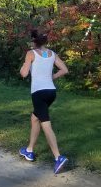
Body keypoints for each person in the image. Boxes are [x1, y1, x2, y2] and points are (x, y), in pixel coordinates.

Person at [18, 30, 70, 174]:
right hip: (51, 92)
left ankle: (58, 157)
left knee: (46, 125)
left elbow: (24, 74)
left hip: (38, 93)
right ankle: (29, 150)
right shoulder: (52, 54)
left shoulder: (31, 53)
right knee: (35, 118)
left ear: (34, 41)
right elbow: (64, 70)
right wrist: (51, 77)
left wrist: (24, 64)